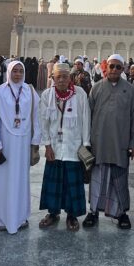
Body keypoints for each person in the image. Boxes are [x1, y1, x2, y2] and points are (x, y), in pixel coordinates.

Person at [84, 54, 134, 230]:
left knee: (119, 179)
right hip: (99, 142)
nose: (114, 70)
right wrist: (86, 141)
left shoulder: (130, 90)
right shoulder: (96, 88)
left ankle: (121, 213)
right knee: (97, 179)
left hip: (120, 143)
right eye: (111, 66)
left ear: (123, 69)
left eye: (118, 67)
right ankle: (93, 211)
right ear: (106, 67)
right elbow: (87, 116)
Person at [38, 61, 90, 232]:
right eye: (58, 76)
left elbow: (86, 119)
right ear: (53, 77)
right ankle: (53, 213)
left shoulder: (80, 94)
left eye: (65, 76)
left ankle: (72, 215)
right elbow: (43, 122)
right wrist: (47, 145)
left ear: (70, 78)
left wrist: (86, 144)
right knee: (54, 182)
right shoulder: (47, 95)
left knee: (71, 184)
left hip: (73, 147)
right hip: (55, 147)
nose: (61, 80)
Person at [0, 60, 40, 233]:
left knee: (20, 179)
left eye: (20, 71)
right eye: (15, 71)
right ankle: (0, 218)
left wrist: (35, 141)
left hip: (23, 142)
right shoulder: (0, 92)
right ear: (9, 72)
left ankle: (19, 217)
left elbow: (36, 117)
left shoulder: (30, 92)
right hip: (5, 142)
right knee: (3, 180)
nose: (18, 74)